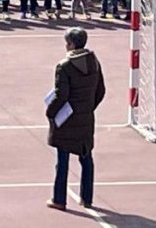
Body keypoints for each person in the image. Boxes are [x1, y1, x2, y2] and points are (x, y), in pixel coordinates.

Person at [46, 27, 106, 212]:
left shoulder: (64, 66)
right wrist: (88, 107)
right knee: (86, 156)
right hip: (86, 116)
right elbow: (101, 90)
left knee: (62, 159)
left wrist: (51, 112)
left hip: (67, 118)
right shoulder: (94, 61)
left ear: (71, 44)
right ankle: (87, 197)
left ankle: (59, 199)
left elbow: (61, 95)